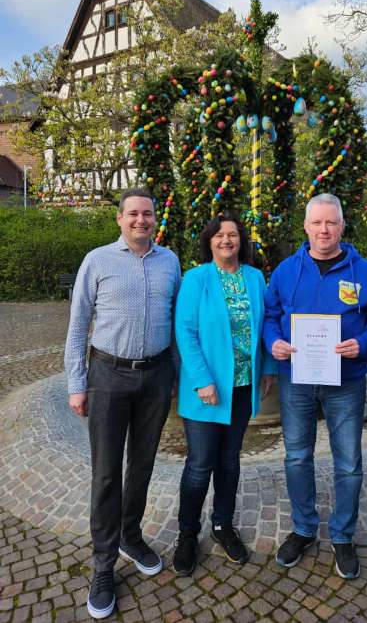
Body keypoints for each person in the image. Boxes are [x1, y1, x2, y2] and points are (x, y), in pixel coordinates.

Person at [263, 193, 367, 580]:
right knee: (297, 456)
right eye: (317, 222)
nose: (324, 229)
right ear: (306, 226)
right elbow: (271, 315)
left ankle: (342, 534)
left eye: (331, 223)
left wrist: (364, 344)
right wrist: (274, 342)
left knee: (349, 461)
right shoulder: (287, 270)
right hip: (297, 382)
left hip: (346, 381)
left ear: (342, 226)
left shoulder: (364, 271)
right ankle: (304, 528)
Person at [65, 188, 181, 620]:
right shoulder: (97, 260)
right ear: (119, 218)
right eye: (133, 214)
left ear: (155, 219)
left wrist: (175, 377)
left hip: (155, 377)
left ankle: (131, 536)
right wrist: (77, 384)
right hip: (109, 376)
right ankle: (102, 564)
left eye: (147, 214)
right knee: (107, 472)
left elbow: (174, 322)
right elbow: (78, 326)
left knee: (143, 466)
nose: (141, 220)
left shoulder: (170, 262)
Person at [173, 211, 277, 575]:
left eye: (232, 235)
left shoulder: (254, 277)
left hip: (243, 386)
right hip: (206, 389)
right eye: (219, 235)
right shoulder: (197, 278)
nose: (226, 241)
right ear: (210, 240)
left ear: (241, 241)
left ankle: (222, 524)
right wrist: (202, 379)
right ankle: (187, 534)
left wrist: (267, 368)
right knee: (200, 464)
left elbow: (265, 324)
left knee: (230, 460)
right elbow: (185, 331)